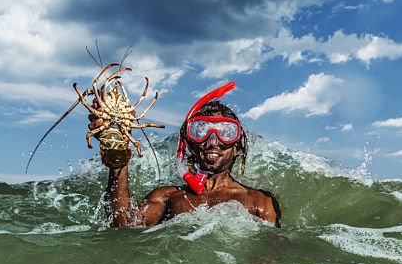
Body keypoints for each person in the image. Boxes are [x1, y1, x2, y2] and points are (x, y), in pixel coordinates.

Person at [89, 81, 280, 228]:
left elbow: (269, 259)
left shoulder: (260, 202)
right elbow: (123, 228)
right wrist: (118, 160)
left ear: (237, 145)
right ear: (189, 142)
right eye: (200, 130)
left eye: (226, 132)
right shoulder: (167, 197)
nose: (213, 141)